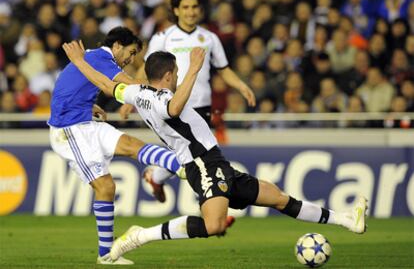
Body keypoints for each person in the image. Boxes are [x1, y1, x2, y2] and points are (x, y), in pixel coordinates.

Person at [62, 40, 368, 263]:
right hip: (202, 164)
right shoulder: (161, 98)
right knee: (214, 225)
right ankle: (141, 236)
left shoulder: (136, 92)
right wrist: (195, 68)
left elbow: (104, 83)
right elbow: (174, 107)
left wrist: (79, 62)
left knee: (278, 197)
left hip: (216, 162)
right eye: (178, 72)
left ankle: (346, 219)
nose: (180, 76)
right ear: (169, 74)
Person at [48, 27, 185, 265]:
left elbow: (65, 86)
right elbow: (131, 87)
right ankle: (106, 255)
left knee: (133, 145)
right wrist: (158, 95)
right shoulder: (102, 58)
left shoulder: (91, 57)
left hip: (85, 120)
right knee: (106, 187)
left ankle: (185, 166)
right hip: (70, 130)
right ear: (117, 46)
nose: (130, 60)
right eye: (131, 53)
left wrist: (86, 105)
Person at [130, 0, 257, 201]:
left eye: (194, 7)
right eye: (186, 7)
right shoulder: (163, 37)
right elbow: (146, 69)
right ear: (176, 10)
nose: (191, 11)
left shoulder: (209, 38)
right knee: (194, 155)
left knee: (193, 155)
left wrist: (241, 86)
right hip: (173, 105)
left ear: (200, 10)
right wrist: (132, 96)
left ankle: (157, 176)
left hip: (202, 105)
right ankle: (210, 202)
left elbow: (223, 69)